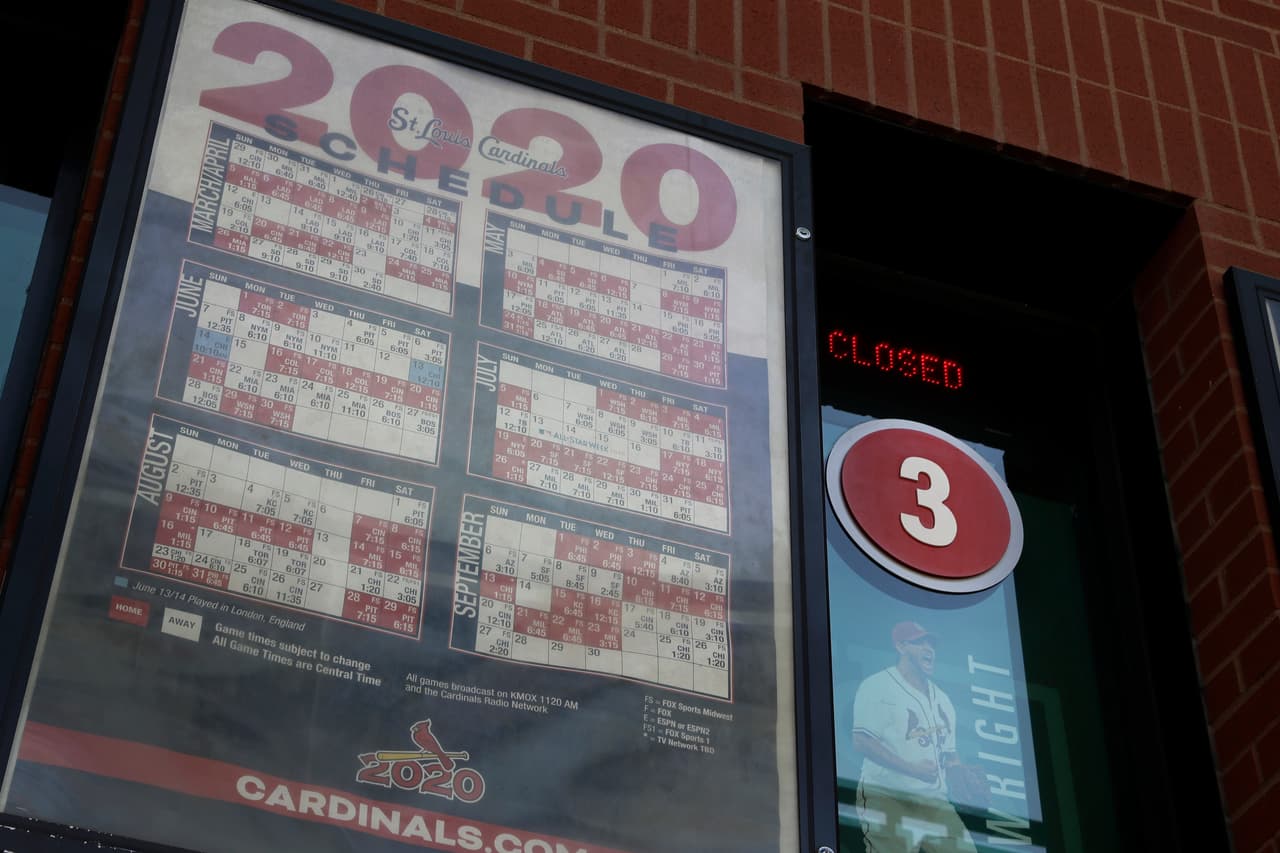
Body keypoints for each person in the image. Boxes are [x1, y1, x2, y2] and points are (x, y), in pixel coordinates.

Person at [851, 621, 977, 853]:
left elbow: (949, 753)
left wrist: (960, 773)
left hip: (935, 803)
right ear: (901, 646)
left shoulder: (944, 700)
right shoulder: (877, 686)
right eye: (920, 642)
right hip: (887, 796)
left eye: (932, 644)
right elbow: (862, 741)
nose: (929, 649)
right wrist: (912, 769)